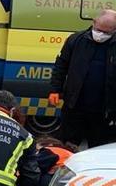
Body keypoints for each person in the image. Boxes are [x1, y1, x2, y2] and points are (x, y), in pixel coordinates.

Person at [49, 9, 116, 149]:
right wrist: (55, 90)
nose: (101, 35)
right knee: (66, 145)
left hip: (103, 111)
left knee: (98, 149)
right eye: (99, 30)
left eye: (107, 33)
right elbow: (61, 65)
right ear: (94, 22)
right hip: (74, 106)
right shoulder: (76, 40)